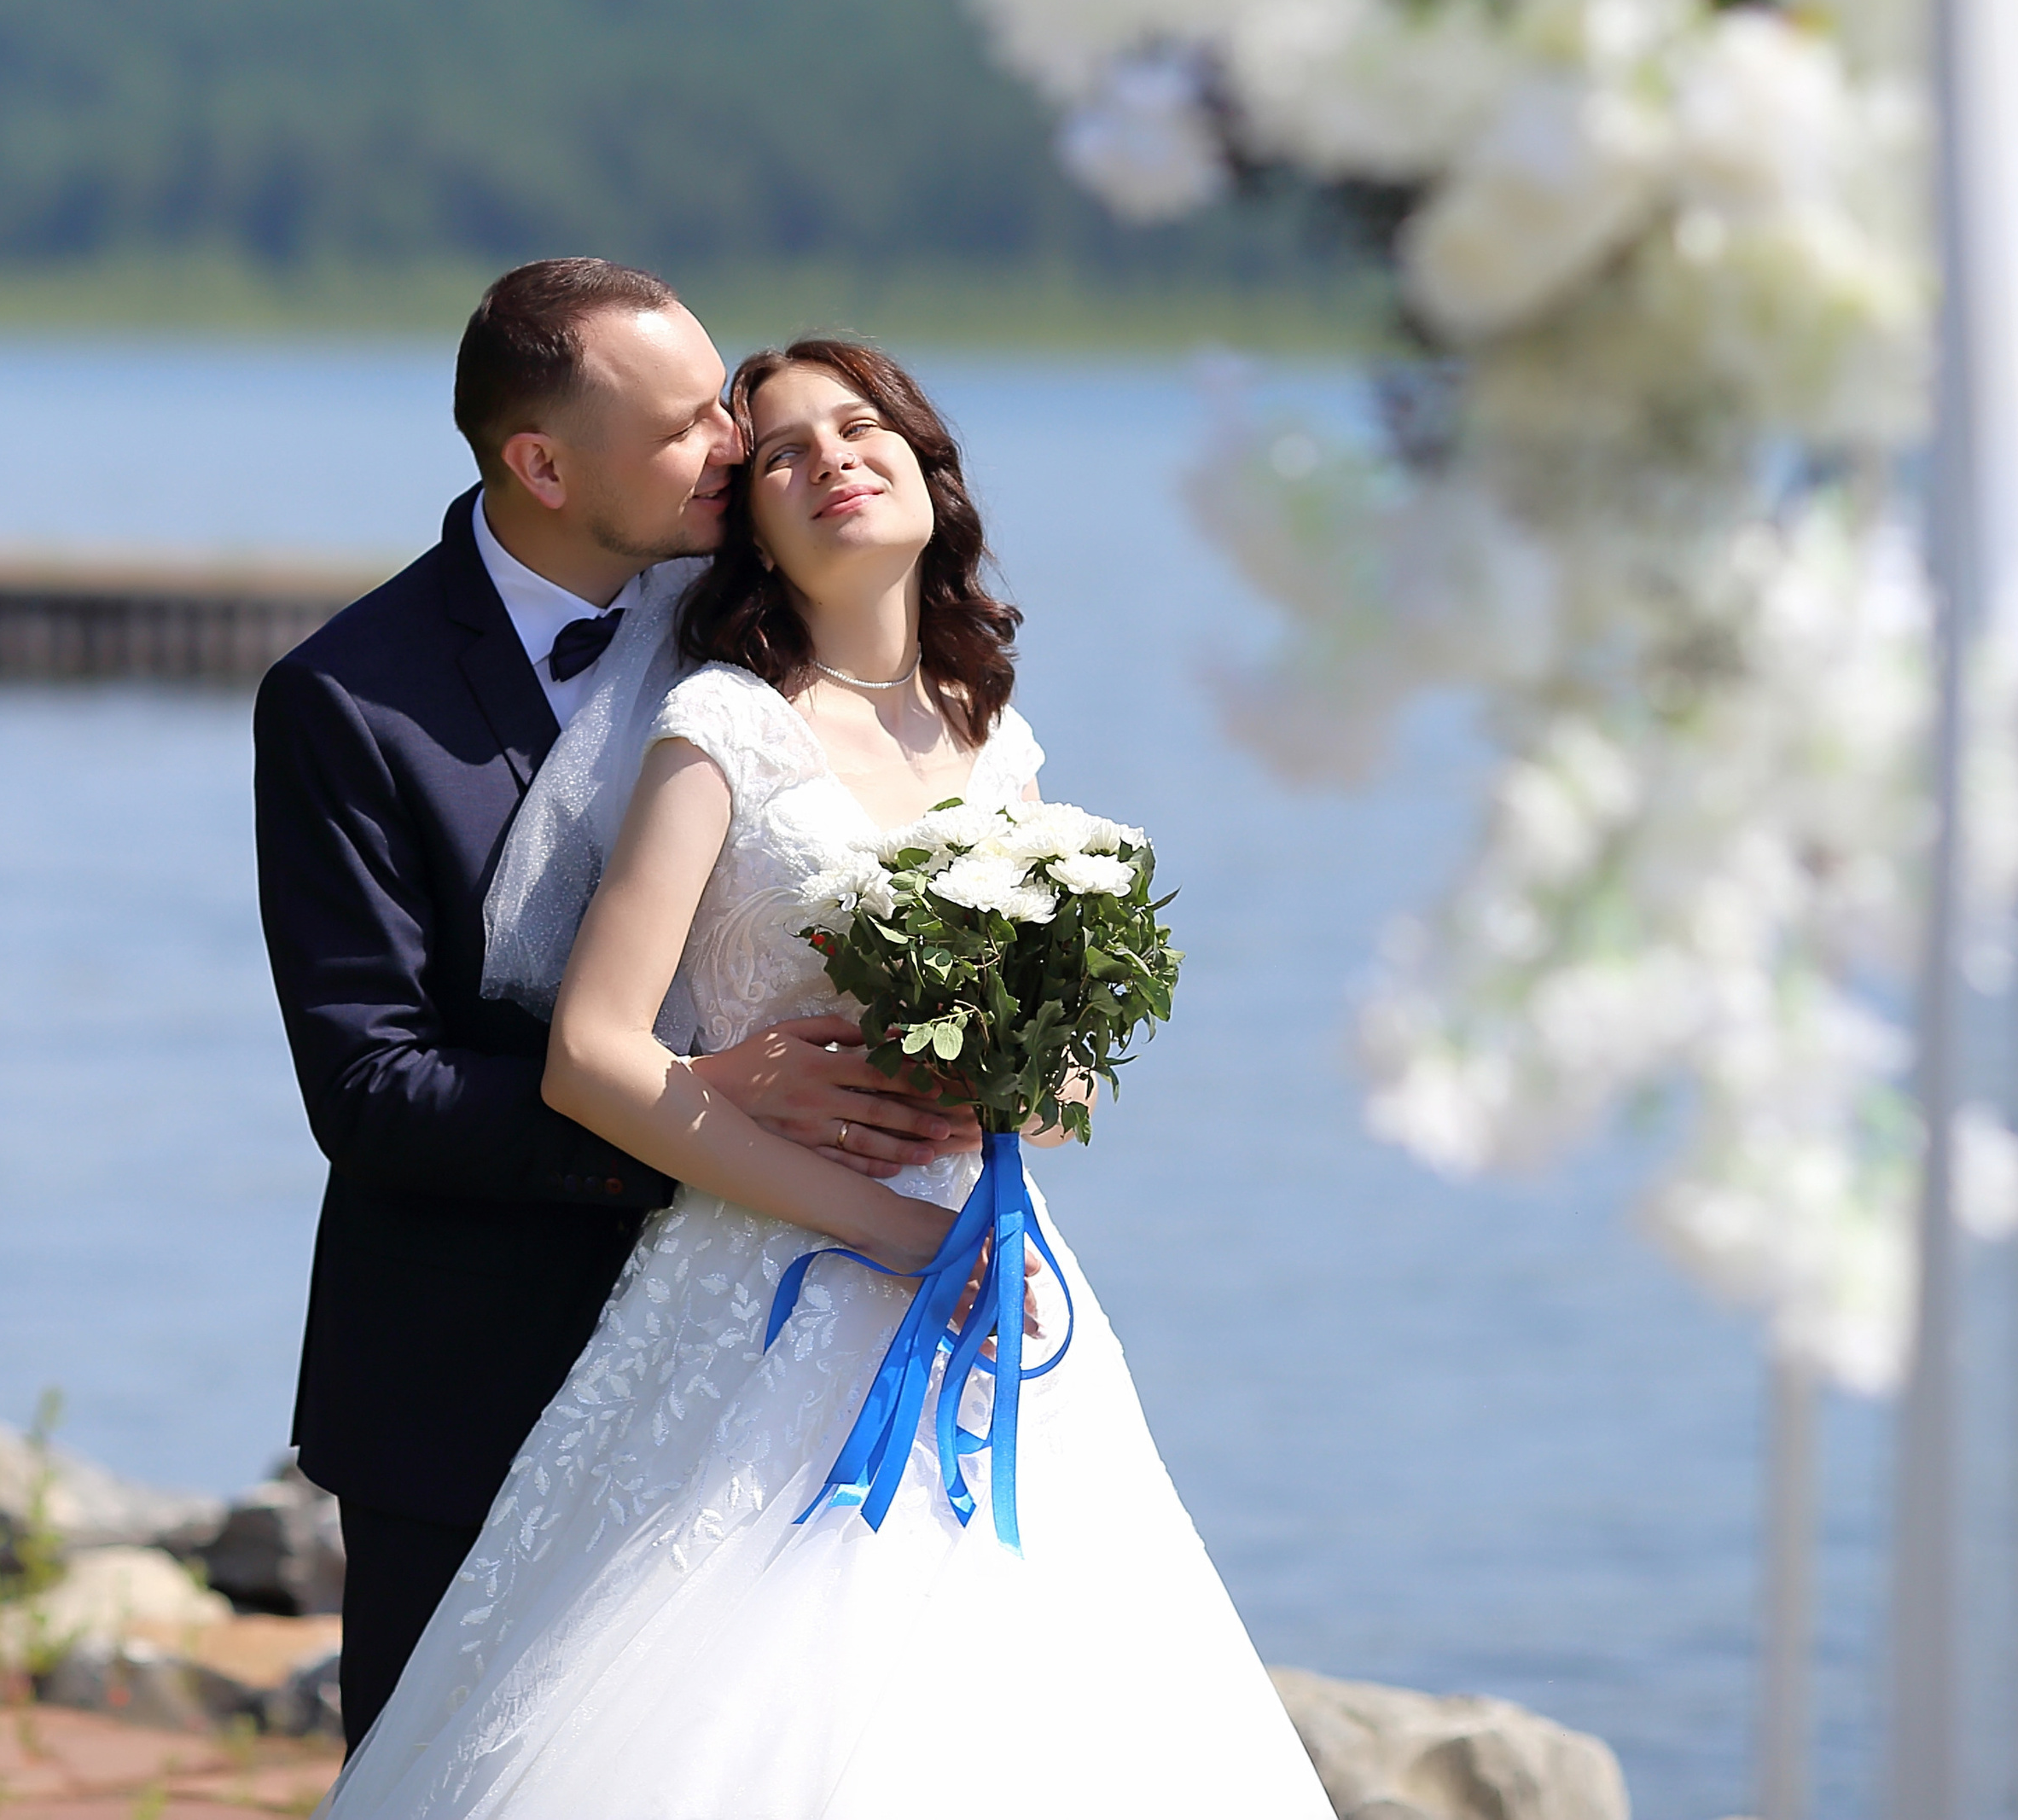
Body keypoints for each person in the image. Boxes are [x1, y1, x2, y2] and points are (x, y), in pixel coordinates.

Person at [317, 338, 1335, 1817]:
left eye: (863, 428)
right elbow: (597, 1059)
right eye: (783, 451)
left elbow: (1060, 1107)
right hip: (769, 1291)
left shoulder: (996, 737)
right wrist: (892, 1231)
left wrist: (1030, 1078)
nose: (829, 459)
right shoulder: (720, 721)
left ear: (932, 473)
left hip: (998, 1284)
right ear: (754, 521)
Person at [253, 265, 978, 1748]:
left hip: (767, 1360)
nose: (730, 443)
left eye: (726, 405)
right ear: (540, 463)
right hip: (473, 1377)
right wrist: (688, 1112)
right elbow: (372, 1089)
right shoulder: (348, 700)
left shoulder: (755, 627)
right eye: (686, 426)